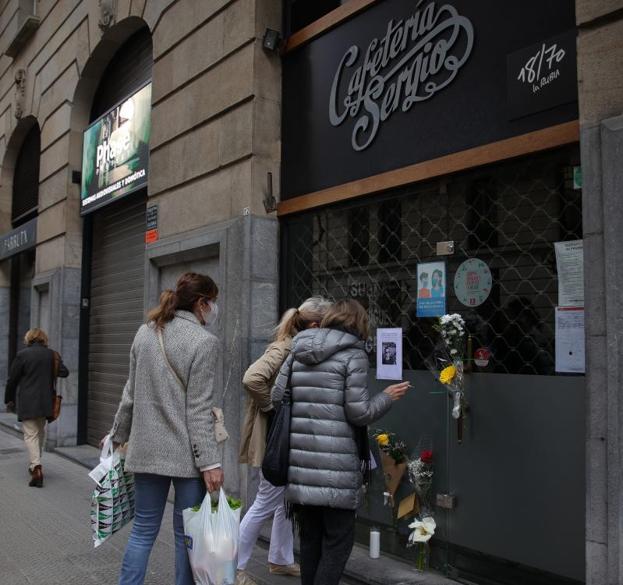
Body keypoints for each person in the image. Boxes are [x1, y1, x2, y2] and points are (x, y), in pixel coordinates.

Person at [272, 299, 410, 585]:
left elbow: (276, 396)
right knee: (337, 543)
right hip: (336, 469)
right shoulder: (353, 354)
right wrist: (388, 397)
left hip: (301, 467)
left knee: (310, 542)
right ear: (359, 324)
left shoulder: (299, 348)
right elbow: (360, 413)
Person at [107, 272, 224, 585]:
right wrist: (211, 462)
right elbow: (198, 410)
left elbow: (129, 393)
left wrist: (118, 435)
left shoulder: (145, 333)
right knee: (187, 536)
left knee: (143, 531)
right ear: (201, 303)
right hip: (187, 456)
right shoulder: (204, 342)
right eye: (213, 301)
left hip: (145, 449)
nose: (214, 308)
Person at [237, 297, 333, 585]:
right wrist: (272, 408)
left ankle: (280, 559)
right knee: (266, 501)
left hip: (280, 437)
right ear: (315, 324)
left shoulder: (294, 345)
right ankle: (233, 566)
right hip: (274, 438)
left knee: (281, 502)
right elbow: (252, 378)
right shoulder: (285, 347)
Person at [4, 328, 69, 487]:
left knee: (31, 434)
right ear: (43, 339)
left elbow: (12, 380)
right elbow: (64, 372)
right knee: (39, 433)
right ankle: (35, 463)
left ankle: (36, 467)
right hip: (46, 401)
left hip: (28, 401)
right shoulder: (52, 354)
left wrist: (9, 399)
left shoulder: (22, 355)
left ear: (29, 339)